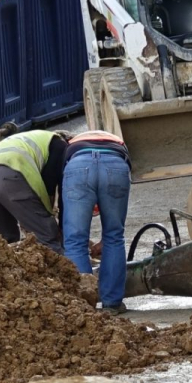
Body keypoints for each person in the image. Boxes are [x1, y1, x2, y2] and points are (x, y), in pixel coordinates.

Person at [61, 129, 132, 312]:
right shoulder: (116, 140)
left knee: (75, 241)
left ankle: (83, 306)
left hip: (78, 166)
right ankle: (112, 303)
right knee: (114, 236)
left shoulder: (70, 146)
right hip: (116, 165)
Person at [0, 129, 66, 252]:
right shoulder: (60, 144)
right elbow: (50, 184)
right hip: (10, 175)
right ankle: (59, 263)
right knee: (46, 237)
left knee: (4, 244)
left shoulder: (31, 138)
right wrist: (48, 218)